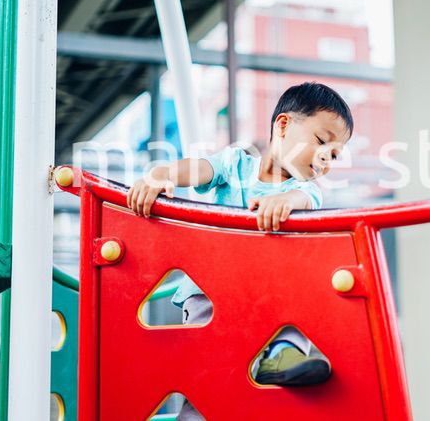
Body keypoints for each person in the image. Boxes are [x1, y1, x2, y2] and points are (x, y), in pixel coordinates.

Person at [127, 82, 353, 409]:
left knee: (299, 306)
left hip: (264, 299)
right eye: (321, 142)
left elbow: (304, 199)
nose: (325, 159)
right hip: (210, 289)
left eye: (334, 155)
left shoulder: (307, 190)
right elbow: (202, 169)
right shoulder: (235, 164)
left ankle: (281, 357)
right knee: (210, 376)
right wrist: (163, 173)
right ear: (284, 125)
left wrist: (286, 200)